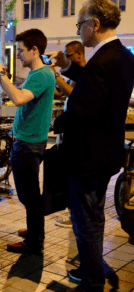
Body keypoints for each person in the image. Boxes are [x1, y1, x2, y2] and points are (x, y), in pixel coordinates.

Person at [49, 0, 134, 292]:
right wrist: (69, 68)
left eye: (81, 24)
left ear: (94, 24)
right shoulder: (121, 55)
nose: (80, 30)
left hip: (88, 158)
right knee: (93, 216)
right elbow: (93, 84)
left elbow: (83, 109)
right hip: (106, 153)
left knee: (86, 221)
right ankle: (91, 270)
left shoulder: (103, 59)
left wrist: (56, 123)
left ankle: (91, 283)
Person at [0, 29, 55, 254]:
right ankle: (34, 228)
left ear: (34, 50)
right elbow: (19, 95)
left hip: (28, 144)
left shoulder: (41, 76)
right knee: (29, 194)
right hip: (29, 142)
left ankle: (34, 242)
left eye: (21, 50)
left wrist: (1, 75)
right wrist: (4, 79)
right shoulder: (40, 73)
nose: (18, 54)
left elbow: (17, 99)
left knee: (29, 195)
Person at [52, 40, 87, 229]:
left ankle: (77, 217)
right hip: (69, 129)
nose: (66, 59)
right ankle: (74, 215)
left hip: (78, 132)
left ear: (79, 54)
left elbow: (73, 94)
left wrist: (57, 74)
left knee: (77, 179)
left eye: (68, 55)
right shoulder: (76, 74)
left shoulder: (85, 73)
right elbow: (61, 94)